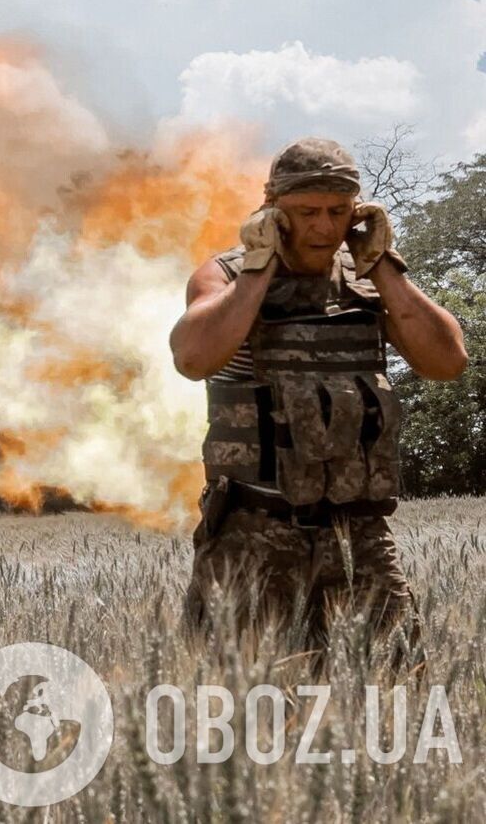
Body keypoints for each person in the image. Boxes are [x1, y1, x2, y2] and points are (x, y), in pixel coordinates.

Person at [169, 137, 468, 667]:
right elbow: (194, 358)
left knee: (395, 690)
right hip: (253, 531)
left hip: (359, 533)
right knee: (245, 706)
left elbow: (446, 363)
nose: (325, 228)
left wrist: (382, 267)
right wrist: (260, 268)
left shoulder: (371, 277)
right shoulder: (229, 276)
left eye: (338, 211)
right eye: (306, 212)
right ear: (272, 208)